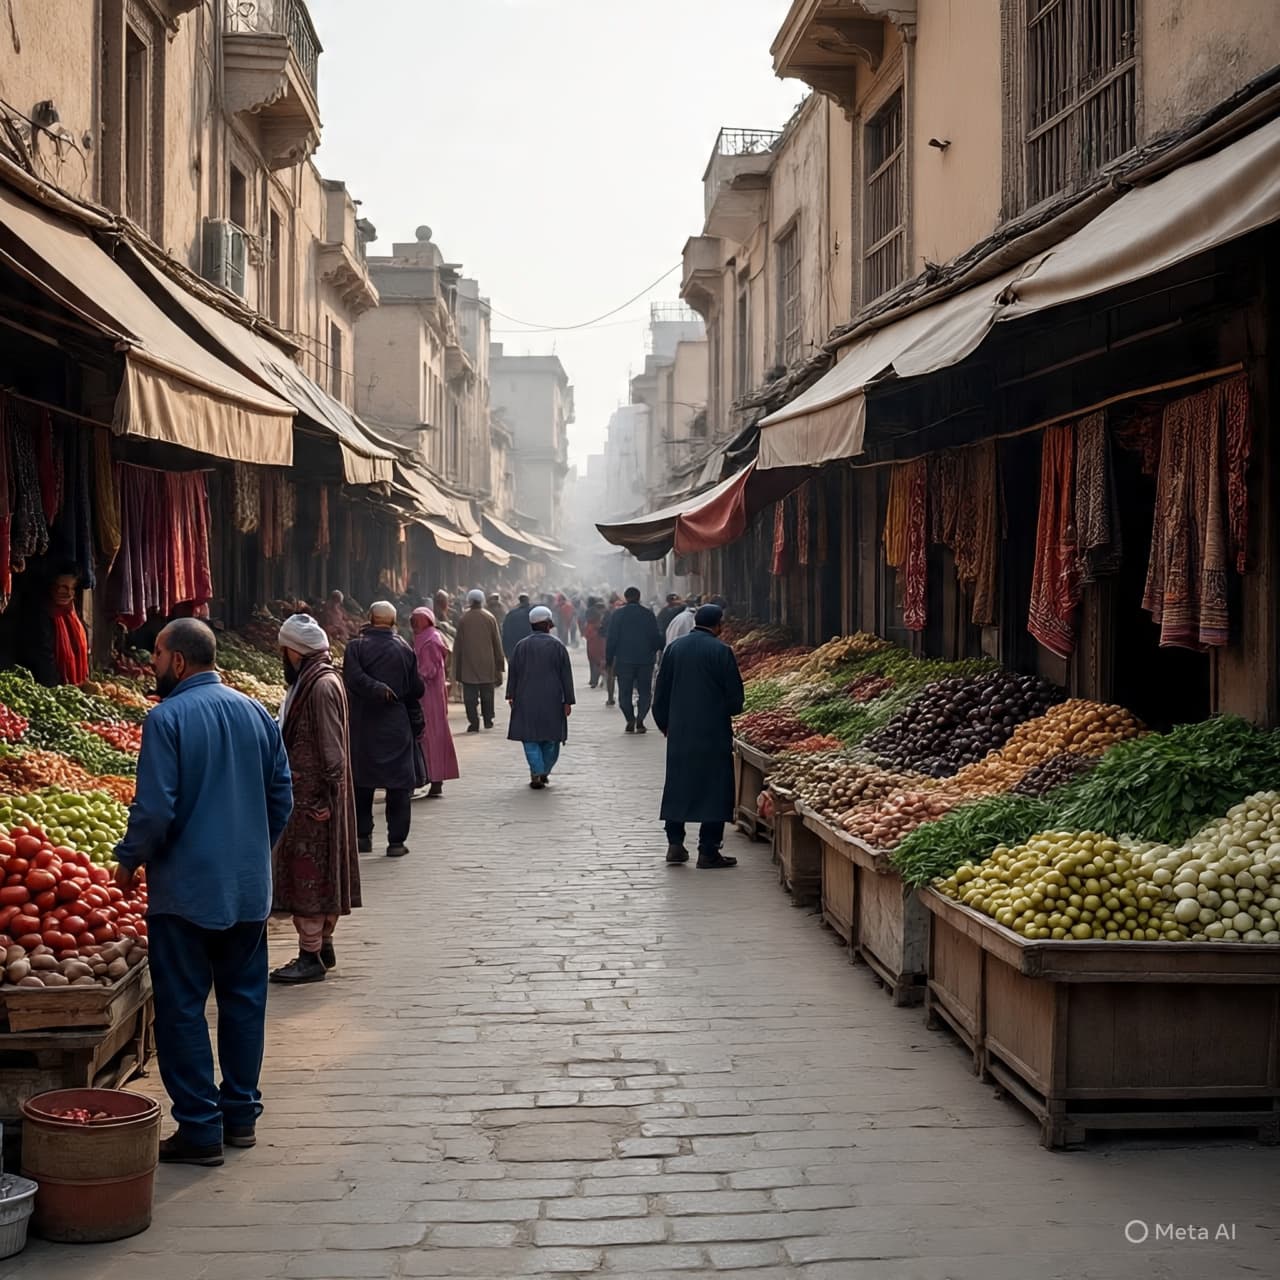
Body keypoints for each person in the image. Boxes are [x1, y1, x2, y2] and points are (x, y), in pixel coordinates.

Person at [113, 619, 293, 1165]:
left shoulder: (166, 718)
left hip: (186, 894)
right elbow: (282, 794)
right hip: (246, 891)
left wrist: (129, 860)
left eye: (158, 654)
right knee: (244, 1003)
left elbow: (155, 809)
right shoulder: (257, 713)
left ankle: (199, 1128)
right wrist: (254, 851)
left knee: (183, 1008)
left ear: (180, 662)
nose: (152, 663)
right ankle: (240, 1117)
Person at [269, 615, 361, 986]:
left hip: (314, 799)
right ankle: (322, 945)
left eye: (284, 651)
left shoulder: (320, 686)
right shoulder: (317, 680)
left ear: (294, 651)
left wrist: (327, 795)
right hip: (310, 794)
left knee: (310, 872)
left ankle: (310, 955)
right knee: (318, 871)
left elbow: (331, 748)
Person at [652, 603, 744, 869]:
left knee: (679, 783)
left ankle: (675, 844)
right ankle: (708, 850)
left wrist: (664, 722)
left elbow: (661, 689)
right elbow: (734, 697)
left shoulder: (674, 649)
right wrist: (727, 711)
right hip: (713, 729)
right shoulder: (722, 651)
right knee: (715, 787)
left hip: (680, 730)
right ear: (717, 625)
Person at [343, 601, 425, 857]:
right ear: (392, 621)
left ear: (369, 618)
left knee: (362, 783)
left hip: (363, 723)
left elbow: (352, 678)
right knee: (398, 785)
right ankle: (396, 842)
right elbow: (416, 689)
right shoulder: (404, 648)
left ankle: (363, 837)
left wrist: (373, 688)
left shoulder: (355, 648)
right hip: (396, 725)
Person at [507, 605, 575, 789]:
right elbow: (566, 676)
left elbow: (513, 673)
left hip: (525, 698)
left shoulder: (521, 646)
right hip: (553, 699)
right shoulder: (558, 646)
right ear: (548, 625)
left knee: (530, 738)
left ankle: (537, 771)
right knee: (551, 739)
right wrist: (568, 701)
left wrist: (511, 694)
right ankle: (542, 770)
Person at [410, 607, 459, 798]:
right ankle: (431, 778)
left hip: (428, 697)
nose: (413, 625)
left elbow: (428, 671)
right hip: (427, 695)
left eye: (416, 621)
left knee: (430, 735)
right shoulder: (427, 637)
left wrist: (410, 674)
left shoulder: (430, 641)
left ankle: (434, 778)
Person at [19, 561, 89, 687]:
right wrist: (58, 691)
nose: (67, 593)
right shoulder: (40, 615)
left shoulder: (72, 614)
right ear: (50, 586)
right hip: (50, 690)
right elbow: (43, 659)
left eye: (71, 588)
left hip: (72, 689)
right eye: (62, 587)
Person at [605, 587, 662, 734]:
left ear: (625, 597)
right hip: (645, 661)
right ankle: (641, 720)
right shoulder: (648, 614)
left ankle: (630, 719)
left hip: (624, 661)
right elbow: (656, 637)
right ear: (639, 597)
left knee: (624, 692)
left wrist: (609, 659)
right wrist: (655, 651)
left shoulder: (618, 615)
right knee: (645, 692)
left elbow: (611, 639)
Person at [454, 588, 505, 732]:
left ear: (469, 601)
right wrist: (499, 664)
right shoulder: (489, 617)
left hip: (468, 665)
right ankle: (488, 719)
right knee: (487, 694)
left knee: (470, 697)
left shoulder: (464, 619)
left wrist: (456, 667)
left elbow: (458, 644)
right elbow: (497, 642)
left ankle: (474, 722)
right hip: (487, 664)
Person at [583, 598, 608, 689]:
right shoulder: (598, 619)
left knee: (593, 660)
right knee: (598, 660)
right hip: (598, 640)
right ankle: (599, 679)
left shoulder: (589, 618)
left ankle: (594, 680)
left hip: (592, 641)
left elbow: (586, 633)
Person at [502, 593, 533, 659]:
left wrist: (506, 650)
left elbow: (506, 632)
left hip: (514, 646)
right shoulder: (533, 613)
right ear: (528, 600)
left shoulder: (511, 613)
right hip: (529, 646)